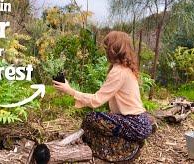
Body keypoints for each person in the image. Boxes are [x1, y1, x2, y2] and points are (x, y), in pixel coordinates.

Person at [53, 31, 153, 162]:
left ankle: (123, 149)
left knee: (91, 119)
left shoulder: (119, 71)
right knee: (97, 121)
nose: (105, 51)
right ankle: (124, 144)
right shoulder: (124, 68)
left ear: (114, 49)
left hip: (134, 123)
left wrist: (70, 91)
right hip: (140, 122)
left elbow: (96, 100)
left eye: (107, 48)